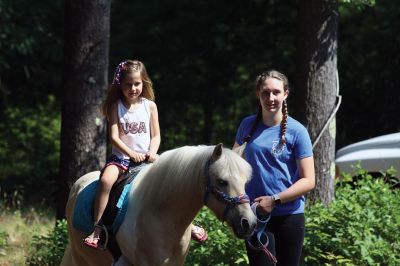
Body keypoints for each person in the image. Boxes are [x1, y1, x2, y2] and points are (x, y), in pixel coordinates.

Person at [233, 70, 315, 266]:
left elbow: (309, 180)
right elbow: (232, 166)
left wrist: (275, 200)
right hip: (255, 216)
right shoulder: (247, 125)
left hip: (290, 217)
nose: (271, 98)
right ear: (258, 95)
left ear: (285, 94)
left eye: (276, 92)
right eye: (265, 93)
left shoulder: (298, 131)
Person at [83, 60, 161, 249]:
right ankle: (98, 227)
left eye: (137, 83)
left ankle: (188, 224)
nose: (133, 88)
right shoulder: (115, 106)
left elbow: (156, 135)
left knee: (171, 177)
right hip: (122, 159)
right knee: (106, 181)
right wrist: (131, 153)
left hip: (147, 158)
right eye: (128, 84)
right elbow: (114, 137)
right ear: (120, 84)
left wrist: (152, 152)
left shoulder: (150, 106)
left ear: (144, 83)